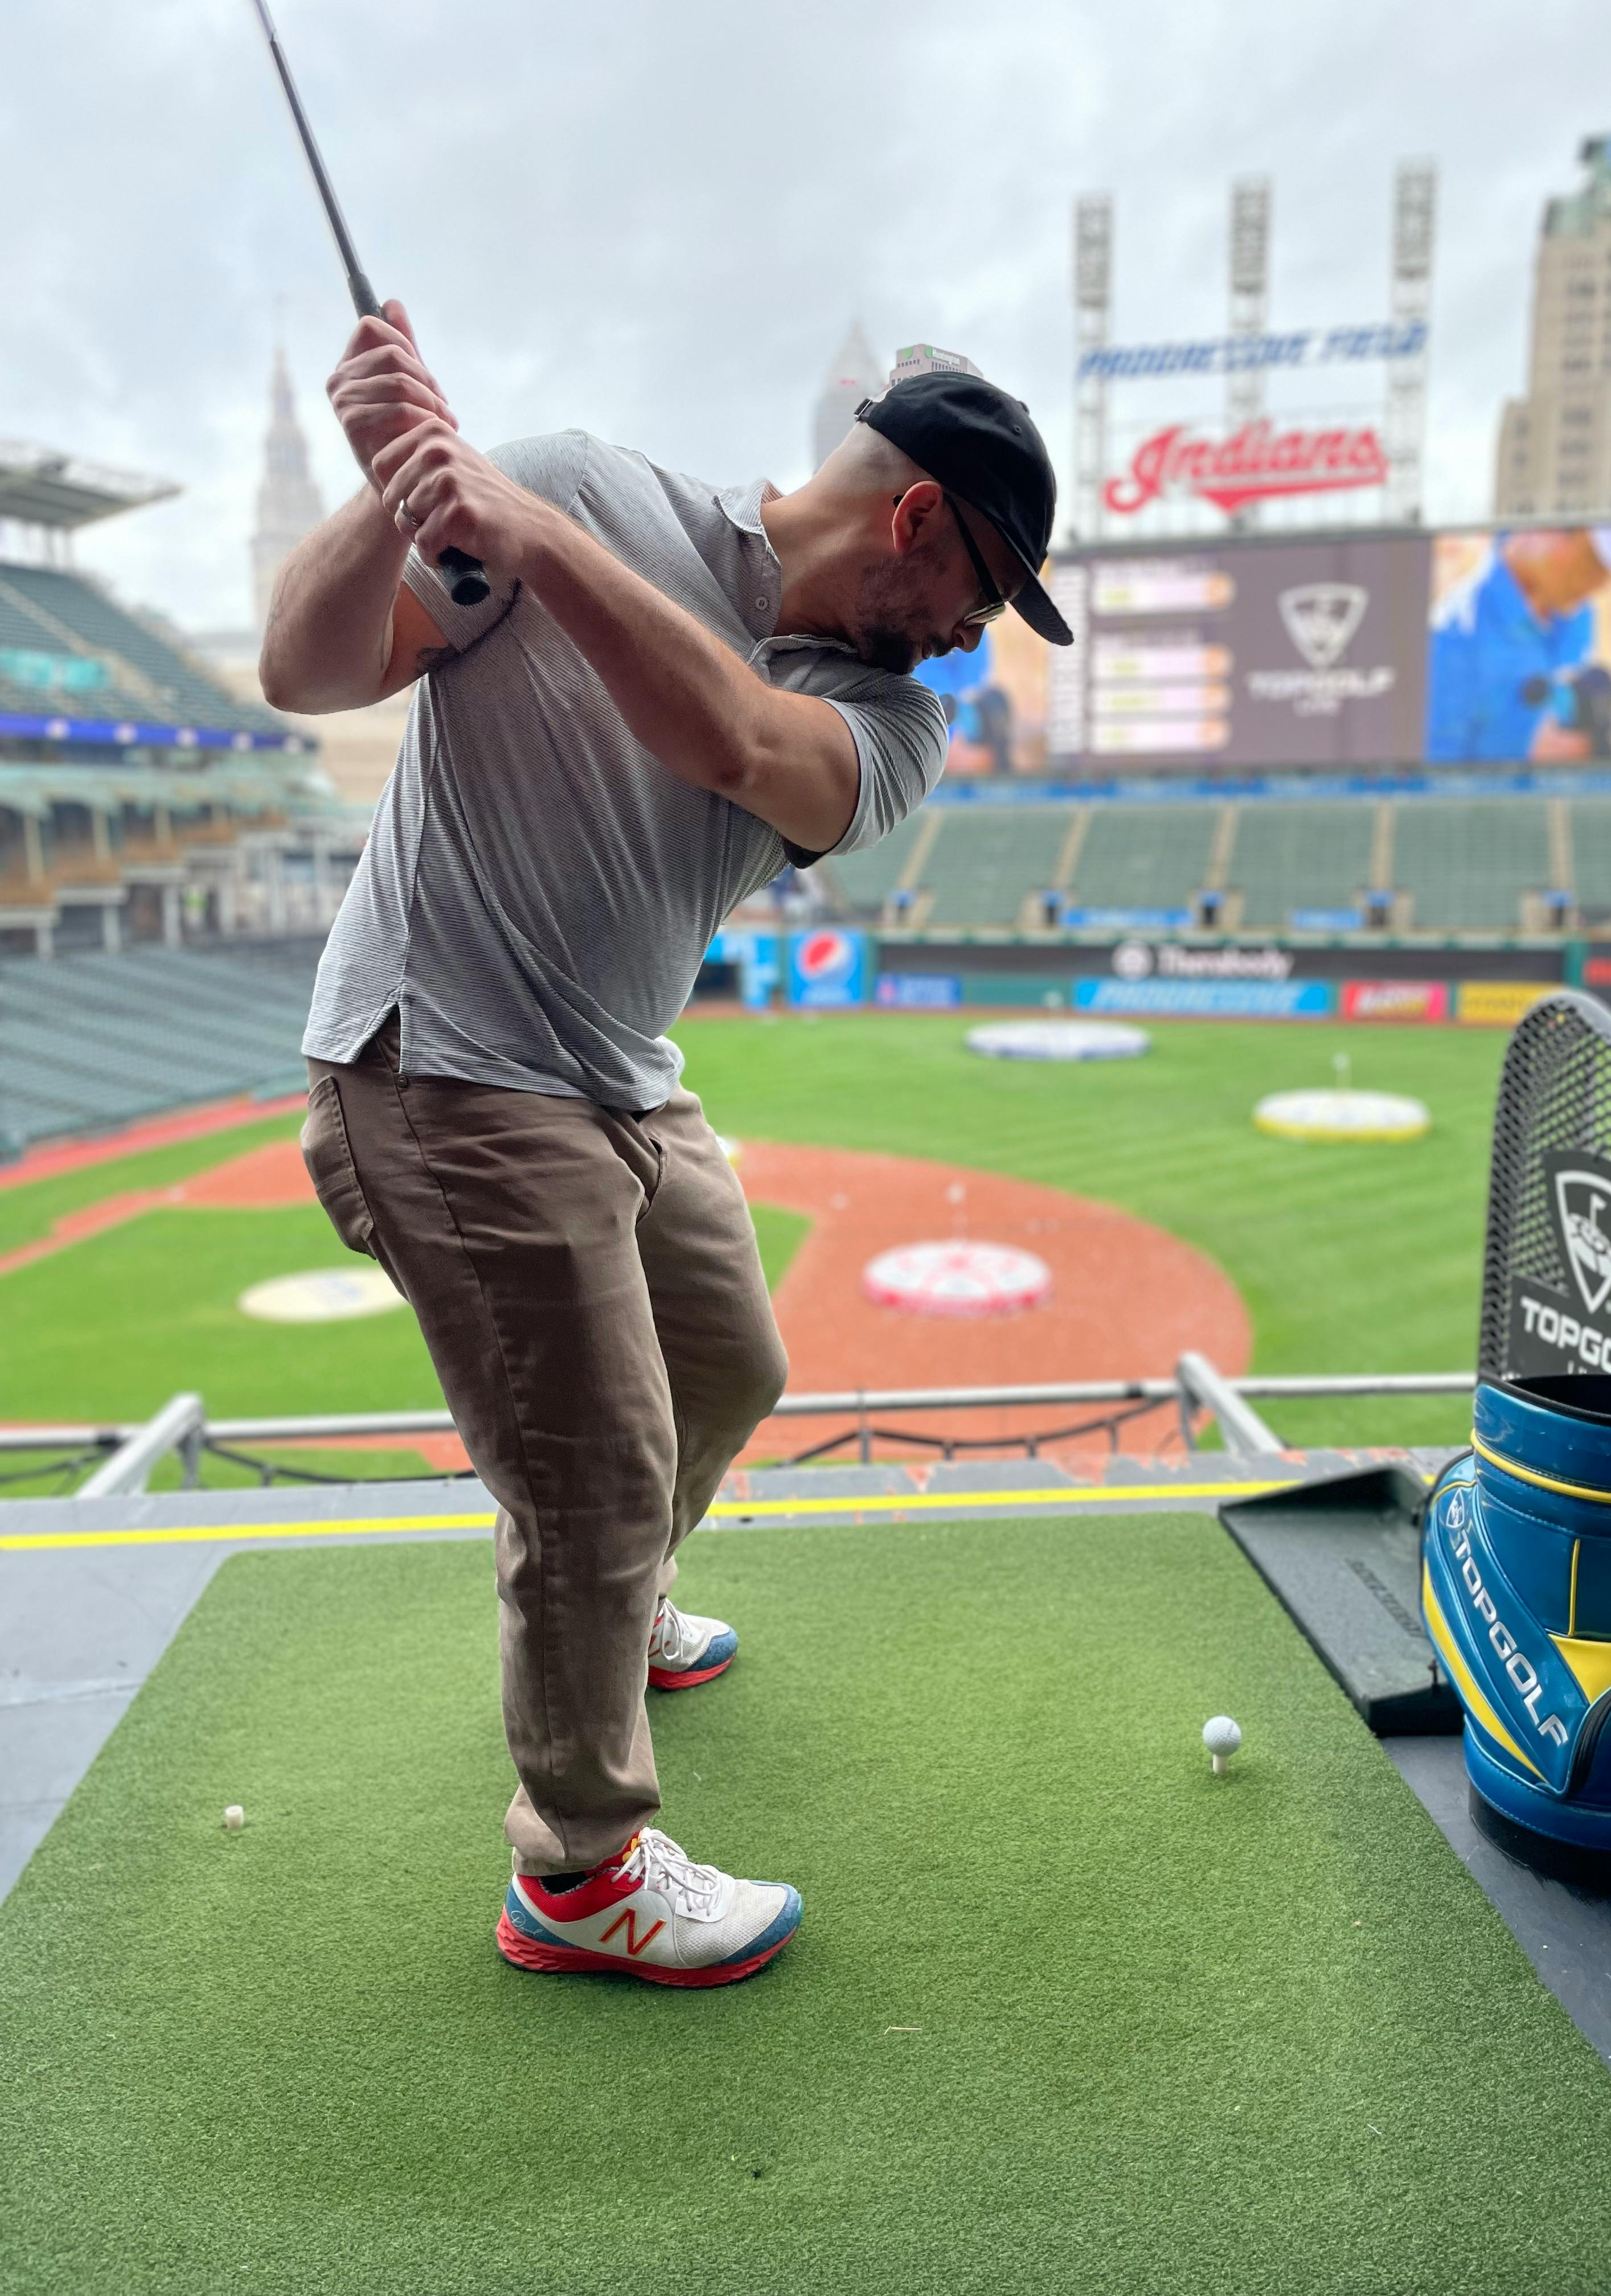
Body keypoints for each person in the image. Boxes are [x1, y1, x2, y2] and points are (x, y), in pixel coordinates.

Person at [260, 304, 1071, 1988]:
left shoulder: (888, 722)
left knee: (734, 1364)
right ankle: (579, 1869)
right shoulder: (570, 489)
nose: (962, 645)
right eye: (976, 603)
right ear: (920, 519)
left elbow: (736, 743)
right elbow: (310, 669)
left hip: (622, 1072)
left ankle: (615, 1612)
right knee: (597, 1469)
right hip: (447, 1064)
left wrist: (532, 539)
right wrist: (386, 488)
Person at [1425, 524, 1611, 764]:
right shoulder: (1451, 645)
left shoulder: (1577, 615)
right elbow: (1425, 790)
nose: (1601, 583)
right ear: (1545, 532)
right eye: (1594, 562)